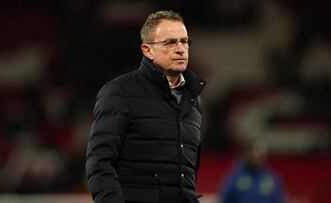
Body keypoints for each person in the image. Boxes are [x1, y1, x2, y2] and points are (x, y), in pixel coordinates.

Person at [86, 10, 206, 203]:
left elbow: (188, 171)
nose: (180, 49)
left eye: (184, 41)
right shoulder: (119, 92)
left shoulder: (194, 100)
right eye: (169, 42)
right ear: (147, 50)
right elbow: (99, 163)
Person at [219, 140, 284, 203]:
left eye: (259, 151)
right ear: (245, 153)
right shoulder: (234, 179)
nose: (256, 154)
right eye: (253, 151)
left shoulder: (272, 179)